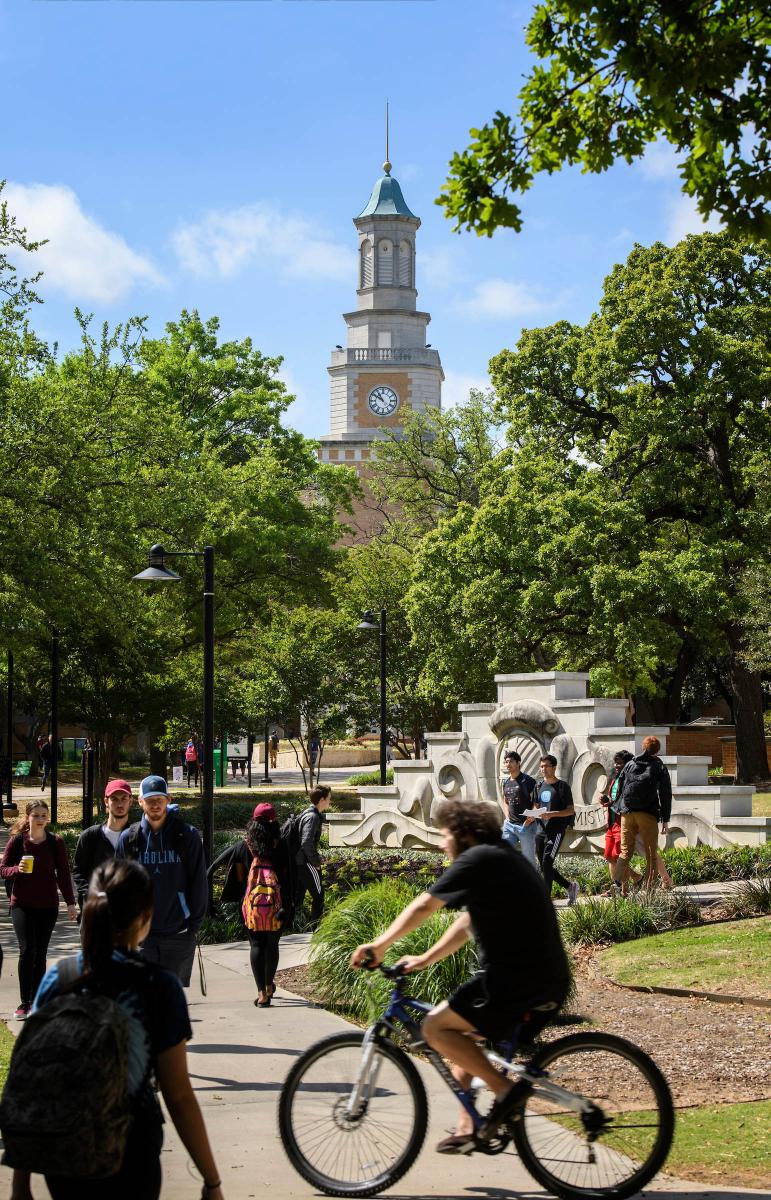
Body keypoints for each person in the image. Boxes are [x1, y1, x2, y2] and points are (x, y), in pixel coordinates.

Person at [351, 799, 571, 1154]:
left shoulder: (478, 858)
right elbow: (467, 922)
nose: (441, 843)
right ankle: (470, 1127)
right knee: (460, 1047)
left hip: (514, 980)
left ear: (465, 834)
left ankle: (505, 1093)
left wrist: (379, 945)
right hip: (537, 979)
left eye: (445, 834)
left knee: (435, 1029)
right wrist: (424, 958)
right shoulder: (499, 857)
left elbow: (425, 905)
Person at [10, 859, 224, 1200]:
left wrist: (20, 1183)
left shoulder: (60, 977)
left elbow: (32, 1074)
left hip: (63, 1154)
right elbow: (178, 1095)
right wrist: (211, 1181)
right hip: (130, 1151)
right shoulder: (157, 986)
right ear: (144, 917)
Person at [116, 775, 207, 985]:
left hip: (179, 933)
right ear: (140, 802)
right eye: (149, 800)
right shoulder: (129, 839)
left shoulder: (187, 836)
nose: (155, 804)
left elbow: (199, 883)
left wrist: (193, 926)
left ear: (168, 799)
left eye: (159, 799)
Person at [0, 800, 77, 1019]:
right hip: (22, 905)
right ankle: (25, 1003)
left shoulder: (56, 842)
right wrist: (17, 869)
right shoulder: (17, 842)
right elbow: (3, 869)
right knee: (27, 950)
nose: (40, 819)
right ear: (27, 817)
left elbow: (63, 875)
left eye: (44, 815)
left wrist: (70, 903)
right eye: (36, 815)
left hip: (48, 905)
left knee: (40, 953)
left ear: (48, 818)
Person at [242, 803, 291, 1007]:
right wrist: (288, 904)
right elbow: (288, 877)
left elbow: (239, 877)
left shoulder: (245, 846)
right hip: (276, 906)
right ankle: (270, 984)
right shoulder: (280, 845)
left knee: (256, 945)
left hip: (253, 905)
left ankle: (262, 993)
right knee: (272, 944)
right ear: (274, 822)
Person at [616, 735, 672, 893]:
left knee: (625, 851)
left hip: (627, 813)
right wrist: (665, 819)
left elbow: (620, 788)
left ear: (643, 747)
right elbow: (665, 793)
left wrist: (621, 809)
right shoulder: (658, 766)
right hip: (647, 814)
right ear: (657, 750)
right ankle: (649, 891)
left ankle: (616, 883)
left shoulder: (629, 764)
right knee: (651, 854)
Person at [73, 779, 133, 909]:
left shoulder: (137, 836)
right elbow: (78, 871)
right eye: (114, 799)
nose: (120, 803)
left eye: (124, 798)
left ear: (131, 801)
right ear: (106, 801)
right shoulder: (90, 836)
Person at [534, 754, 579, 905]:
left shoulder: (562, 787)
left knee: (547, 863)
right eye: (541, 766)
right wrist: (532, 815)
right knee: (544, 866)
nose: (543, 769)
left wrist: (553, 814)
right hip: (540, 831)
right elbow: (536, 806)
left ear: (554, 767)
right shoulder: (538, 786)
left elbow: (570, 810)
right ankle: (569, 886)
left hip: (556, 831)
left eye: (546, 766)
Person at [293, 784, 331, 925]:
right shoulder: (312, 817)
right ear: (322, 799)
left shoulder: (308, 814)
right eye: (328, 798)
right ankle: (316, 928)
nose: (329, 801)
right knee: (319, 895)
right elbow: (306, 842)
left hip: (300, 861)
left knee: (298, 898)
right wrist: (316, 862)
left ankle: (292, 926)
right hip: (305, 862)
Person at [499, 749, 538, 867]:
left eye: (511, 761)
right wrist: (507, 817)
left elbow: (537, 802)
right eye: (506, 762)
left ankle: (533, 884)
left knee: (529, 862)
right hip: (509, 826)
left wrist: (531, 818)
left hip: (526, 826)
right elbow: (505, 801)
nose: (508, 764)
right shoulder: (506, 782)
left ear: (518, 763)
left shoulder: (528, 781)